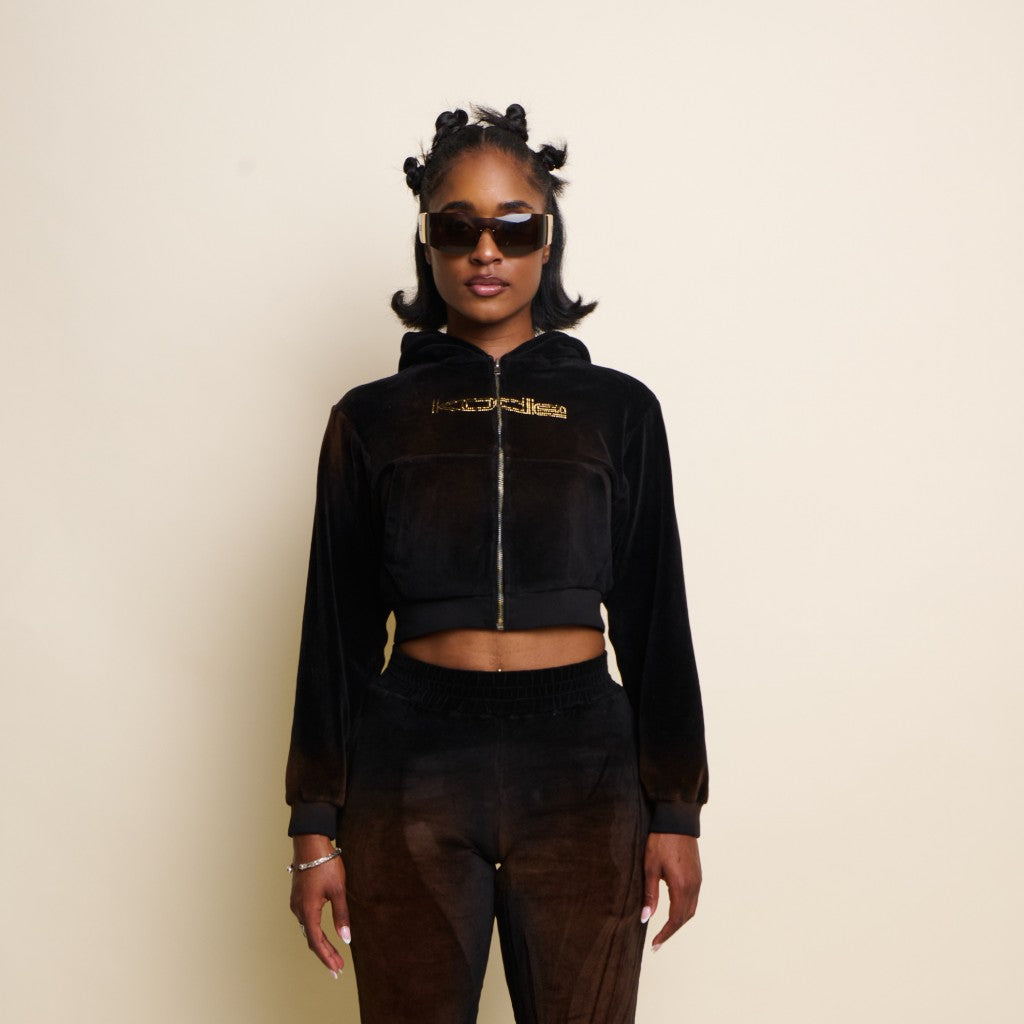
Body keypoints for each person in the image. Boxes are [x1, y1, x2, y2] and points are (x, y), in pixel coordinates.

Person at [285, 103, 708, 1024]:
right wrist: (313, 828)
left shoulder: (619, 410)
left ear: (547, 241)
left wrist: (676, 810)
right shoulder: (371, 418)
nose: (486, 251)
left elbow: (655, 613)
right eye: (458, 228)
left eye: (513, 227)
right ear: (427, 242)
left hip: (584, 765)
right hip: (413, 763)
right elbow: (335, 630)